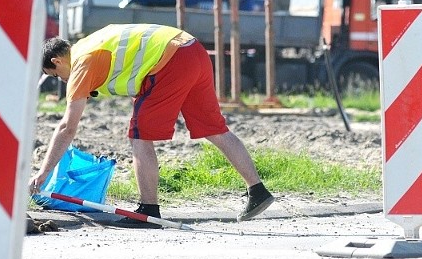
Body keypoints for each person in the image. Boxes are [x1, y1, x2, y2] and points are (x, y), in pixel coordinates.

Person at [29, 23, 274, 228]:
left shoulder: (82, 63)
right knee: (214, 128)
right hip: (193, 50)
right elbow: (134, 65)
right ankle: (258, 190)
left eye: (55, 74)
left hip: (172, 61)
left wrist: (43, 173)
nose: (61, 80)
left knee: (139, 135)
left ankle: (149, 209)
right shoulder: (88, 44)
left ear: (57, 60)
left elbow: (67, 128)